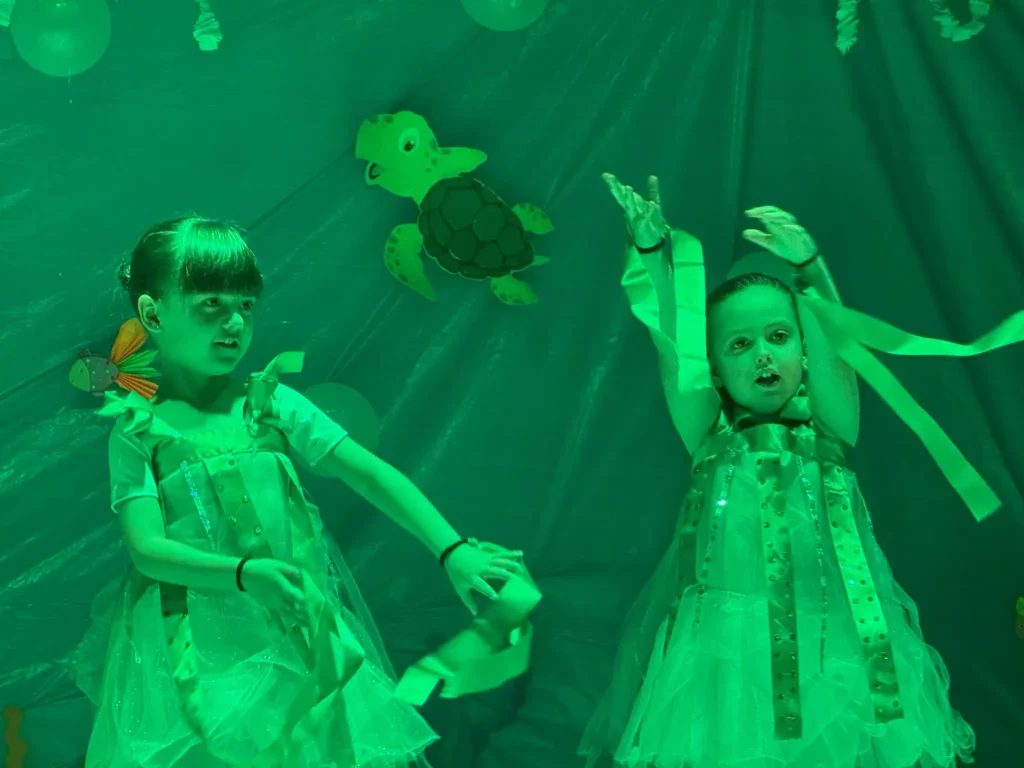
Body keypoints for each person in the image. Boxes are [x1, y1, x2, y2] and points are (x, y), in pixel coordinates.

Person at [579, 174, 1023, 768]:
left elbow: (835, 345)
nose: (763, 352)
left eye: (779, 336)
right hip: (727, 654)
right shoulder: (709, 435)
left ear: (804, 350)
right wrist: (654, 252)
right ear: (714, 368)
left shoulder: (832, 430)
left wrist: (809, 268)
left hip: (833, 644)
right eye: (739, 345)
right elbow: (672, 348)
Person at [73, 216, 524, 768]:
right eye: (211, 303)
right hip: (194, 646)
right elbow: (146, 548)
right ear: (153, 314)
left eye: (246, 304)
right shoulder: (140, 429)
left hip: (292, 628)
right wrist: (245, 573)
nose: (235, 322)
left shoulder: (272, 405)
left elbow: (370, 474)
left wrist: (451, 549)